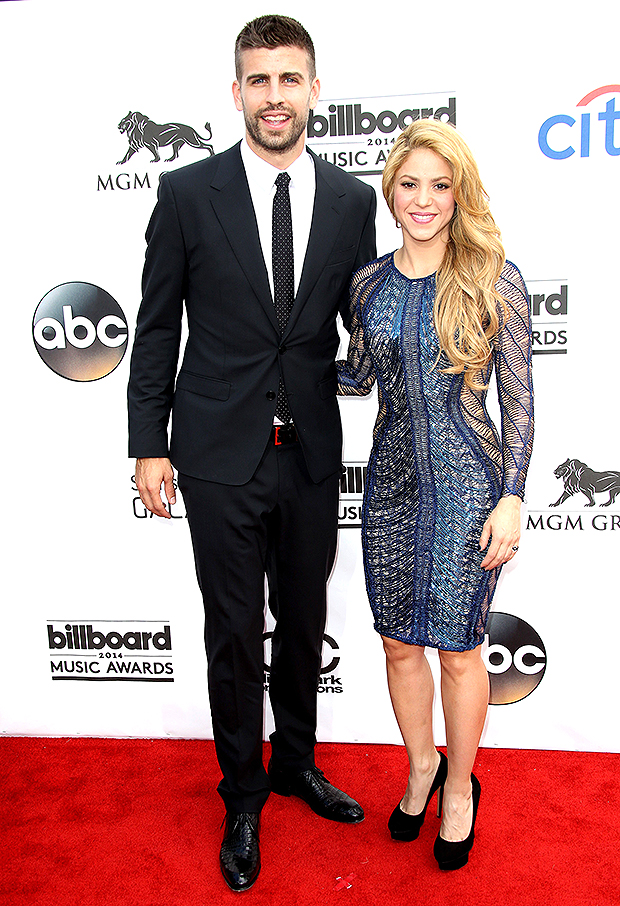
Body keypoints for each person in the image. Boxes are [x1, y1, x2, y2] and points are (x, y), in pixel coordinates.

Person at [127, 14, 376, 894]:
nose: (275, 97)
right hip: (214, 449)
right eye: (258, 81)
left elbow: (363, 322)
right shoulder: (188, 192)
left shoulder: (353, 202)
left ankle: (295, 765)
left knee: (303, 620)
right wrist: (145, 445)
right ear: (237, 93)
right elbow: (156, 328)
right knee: (234, 632)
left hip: (309, 449)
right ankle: (241, 795)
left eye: (290, 79)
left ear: (316, 89)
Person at [337, 119, 534, 871]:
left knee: (458, 653)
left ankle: (459, 785)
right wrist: (278, 365)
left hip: (466, 487)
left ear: (459, 195)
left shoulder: (494, 279)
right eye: (410, 184)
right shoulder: (368, 284)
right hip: (389, 485)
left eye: (440, 186)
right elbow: (359, 375)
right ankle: (419, 765)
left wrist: (512, 495)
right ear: (391, 191)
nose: (424, 200)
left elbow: (518, 401)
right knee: (397, 643)